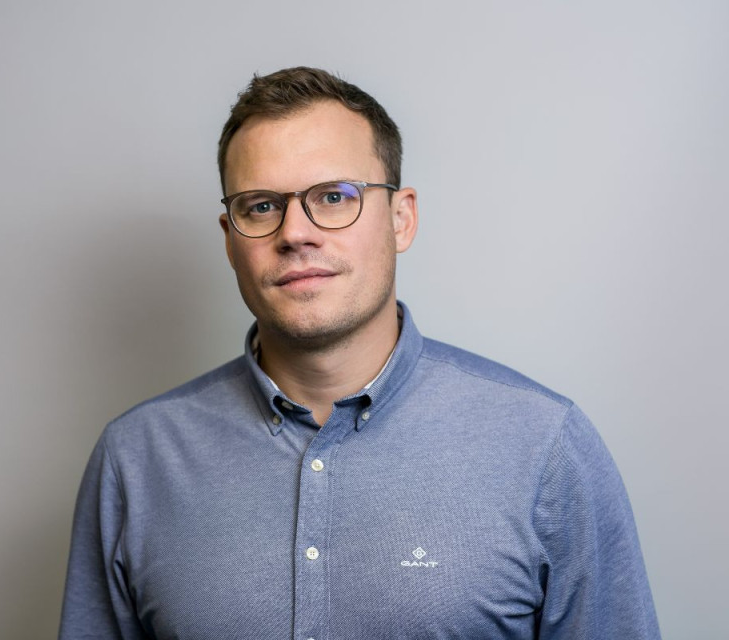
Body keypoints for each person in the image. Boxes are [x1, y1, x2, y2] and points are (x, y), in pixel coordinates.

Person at [59, 67, 660, 639]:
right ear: (229, 239)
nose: (295, 232)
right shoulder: (136, 460)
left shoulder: (543, 447)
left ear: (401, 219)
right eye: (261, 206)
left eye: (336, 195)